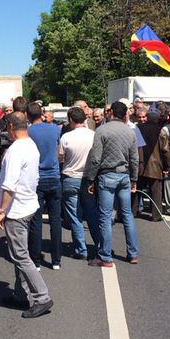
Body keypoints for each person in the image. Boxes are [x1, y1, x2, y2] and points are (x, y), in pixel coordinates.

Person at [0, 112, 53, 318]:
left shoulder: (14, 151)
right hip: (28, 205)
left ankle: (42, 297)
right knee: (21, 254)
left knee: (20, 256)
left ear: (10, 126)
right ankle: (20, 294)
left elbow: (9, 184)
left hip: (16, 209)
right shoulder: (30, 145)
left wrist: (1, 211)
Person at [83, 101, 139, 266]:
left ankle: (105, 256)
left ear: (112, 113)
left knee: (105, 216)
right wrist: (134, 180)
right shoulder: (130, 131)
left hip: (107, 175)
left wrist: (90, 179)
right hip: (124, 175)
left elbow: (95, 158)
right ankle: (133, 253)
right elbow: (134, 159)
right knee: (127, 215)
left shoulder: (102, 130)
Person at [26, 101, 63, 269]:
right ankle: (56, 260)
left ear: (27, 115)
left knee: (36, 221)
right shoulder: (55, 129)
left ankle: (36, 260)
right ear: (41, 113)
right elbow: (57, 151)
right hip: (54, 176)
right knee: (55, 220)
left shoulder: (28, 132)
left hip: (37, 178)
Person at [59, 106, 96, 260]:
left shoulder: (66, 137)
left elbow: (60, 158)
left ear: (71, 120)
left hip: (70, 177)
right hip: (88, 178)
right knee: (92, 214)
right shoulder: (94, 135)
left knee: (74, 216)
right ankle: (100, 245)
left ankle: (81, 249)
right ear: (85, 119)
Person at [136, 110, 167, 221]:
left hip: (140, 165)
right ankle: (156, 215)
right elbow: (165, 150)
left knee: (136, 191)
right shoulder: (161, 131)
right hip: (155, 166)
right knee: (156, 193)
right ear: (158, 119)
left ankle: (133, 212)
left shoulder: (138, 129)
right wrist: (166, 166)